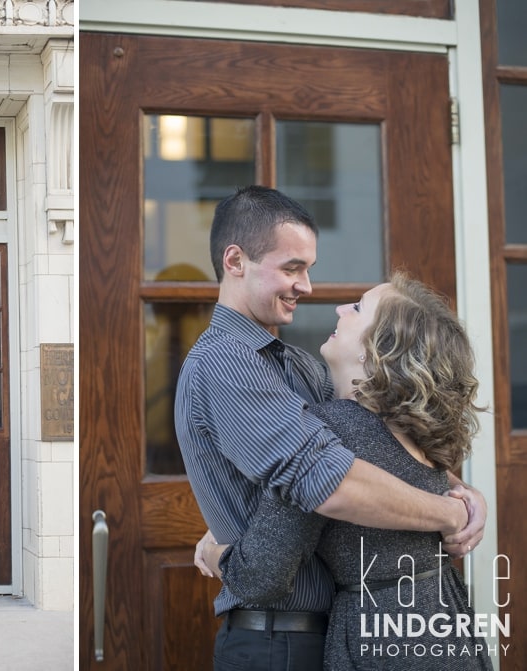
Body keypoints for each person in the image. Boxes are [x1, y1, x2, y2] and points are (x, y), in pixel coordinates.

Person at [174, 186, 486, 670]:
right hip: (277, 638)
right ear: (235, 261)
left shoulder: (302, 366)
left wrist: (464, 495)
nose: (308, 287)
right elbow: (326, 479)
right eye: (292, 268)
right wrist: (447, 515)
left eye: (308, 269)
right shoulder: (224, 362)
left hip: (339, 630)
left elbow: (374, 447)